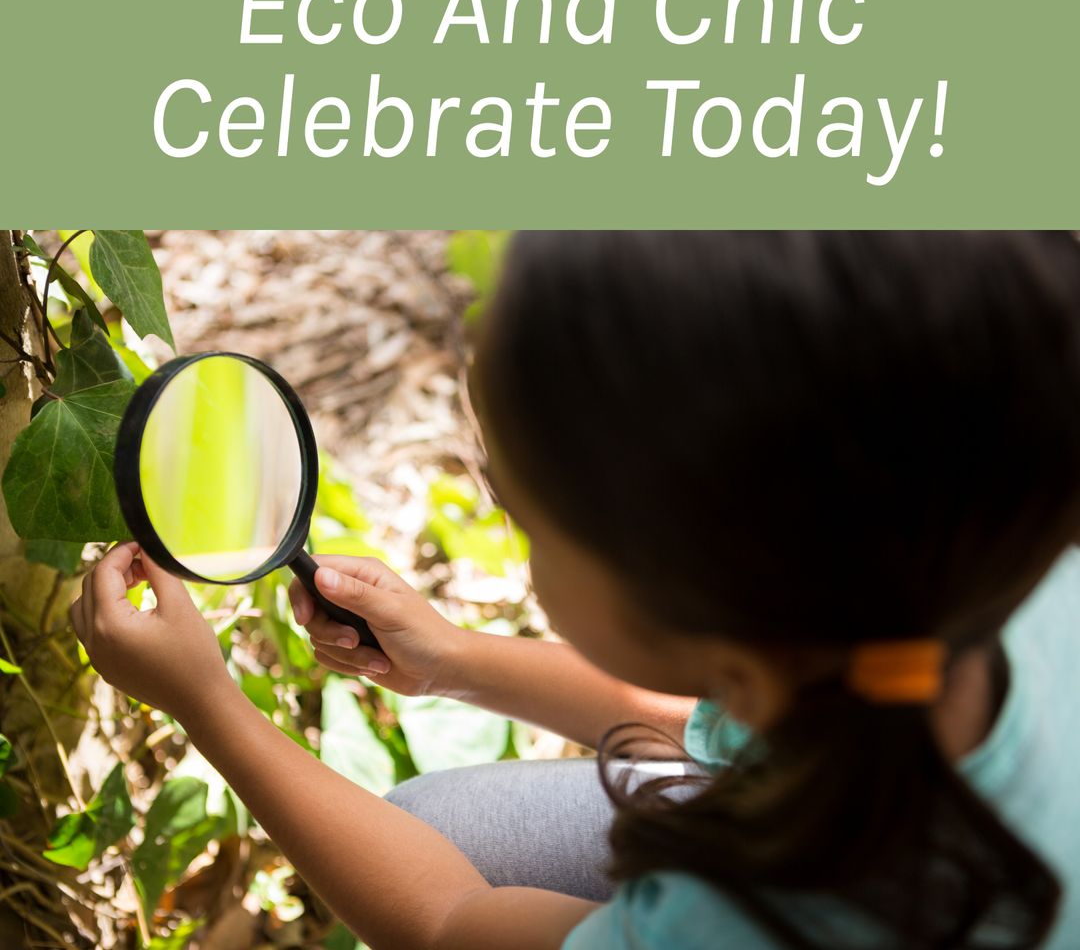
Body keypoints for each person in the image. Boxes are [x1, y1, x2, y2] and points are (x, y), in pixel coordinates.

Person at [73, 231, 1080, 949]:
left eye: (522, 516)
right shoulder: (980, 577)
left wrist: (208, 704)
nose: (512, 534)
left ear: (692, 603)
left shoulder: (748, 919)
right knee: (437, 821)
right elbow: (718, 710)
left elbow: (448, 925)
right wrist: (456, 664)